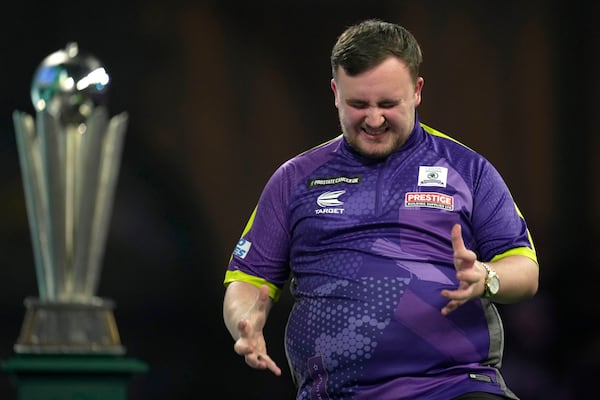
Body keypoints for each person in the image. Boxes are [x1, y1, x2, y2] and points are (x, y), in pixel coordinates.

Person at [223, 18, 539, 400]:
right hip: (336, 394)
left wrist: (486, 277)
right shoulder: (294, 179)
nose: (374, 120)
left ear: (417, 91)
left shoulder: (468, 170)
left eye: (388, 104)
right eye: (358, 104)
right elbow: (248, 279)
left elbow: (524, 268)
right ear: (336, 92)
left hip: (454, 386)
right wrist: (244, 321)